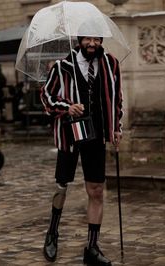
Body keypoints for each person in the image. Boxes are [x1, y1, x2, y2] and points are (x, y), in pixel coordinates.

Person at [40, 35, 123, 266]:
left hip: (96, 135)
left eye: (96, 39)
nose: (92, 44)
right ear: (80, 41)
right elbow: (46, 97)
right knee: (62, 185)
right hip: (69, 133)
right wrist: (68, 107)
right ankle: (52, 232)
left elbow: (117, 99)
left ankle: (92, 247)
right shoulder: (62, 66)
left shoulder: (111, 63)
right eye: (88, 39)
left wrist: (116, 128)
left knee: (96, 190)